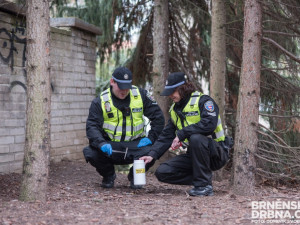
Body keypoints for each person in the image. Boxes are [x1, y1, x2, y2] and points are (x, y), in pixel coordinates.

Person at [140, 72, 232, 196]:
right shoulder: (174, 110)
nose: (170, 95)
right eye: (169, 91)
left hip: (217, 152)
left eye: (173, 91)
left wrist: (182, 133)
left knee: (196, 138)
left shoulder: (203, 101)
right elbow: (166, 136)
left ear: (183, 87)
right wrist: (152, 155)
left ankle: (204, 186)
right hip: (195, 156)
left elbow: (209, 124)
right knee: (162, 172)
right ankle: (203, 179)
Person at [83, 67, 164, 189]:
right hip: (111, 146)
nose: (124, 90)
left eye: (127, 87)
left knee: (152, 151)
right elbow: (92, 126)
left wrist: (151, 138)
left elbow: (158, 118)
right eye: (121, 86)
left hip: (136, 146)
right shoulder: (101, 101)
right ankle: (108, 176)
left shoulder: (140, 95)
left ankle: (134, 177)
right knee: (90, 152)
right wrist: (101, 144)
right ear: (112, 82)